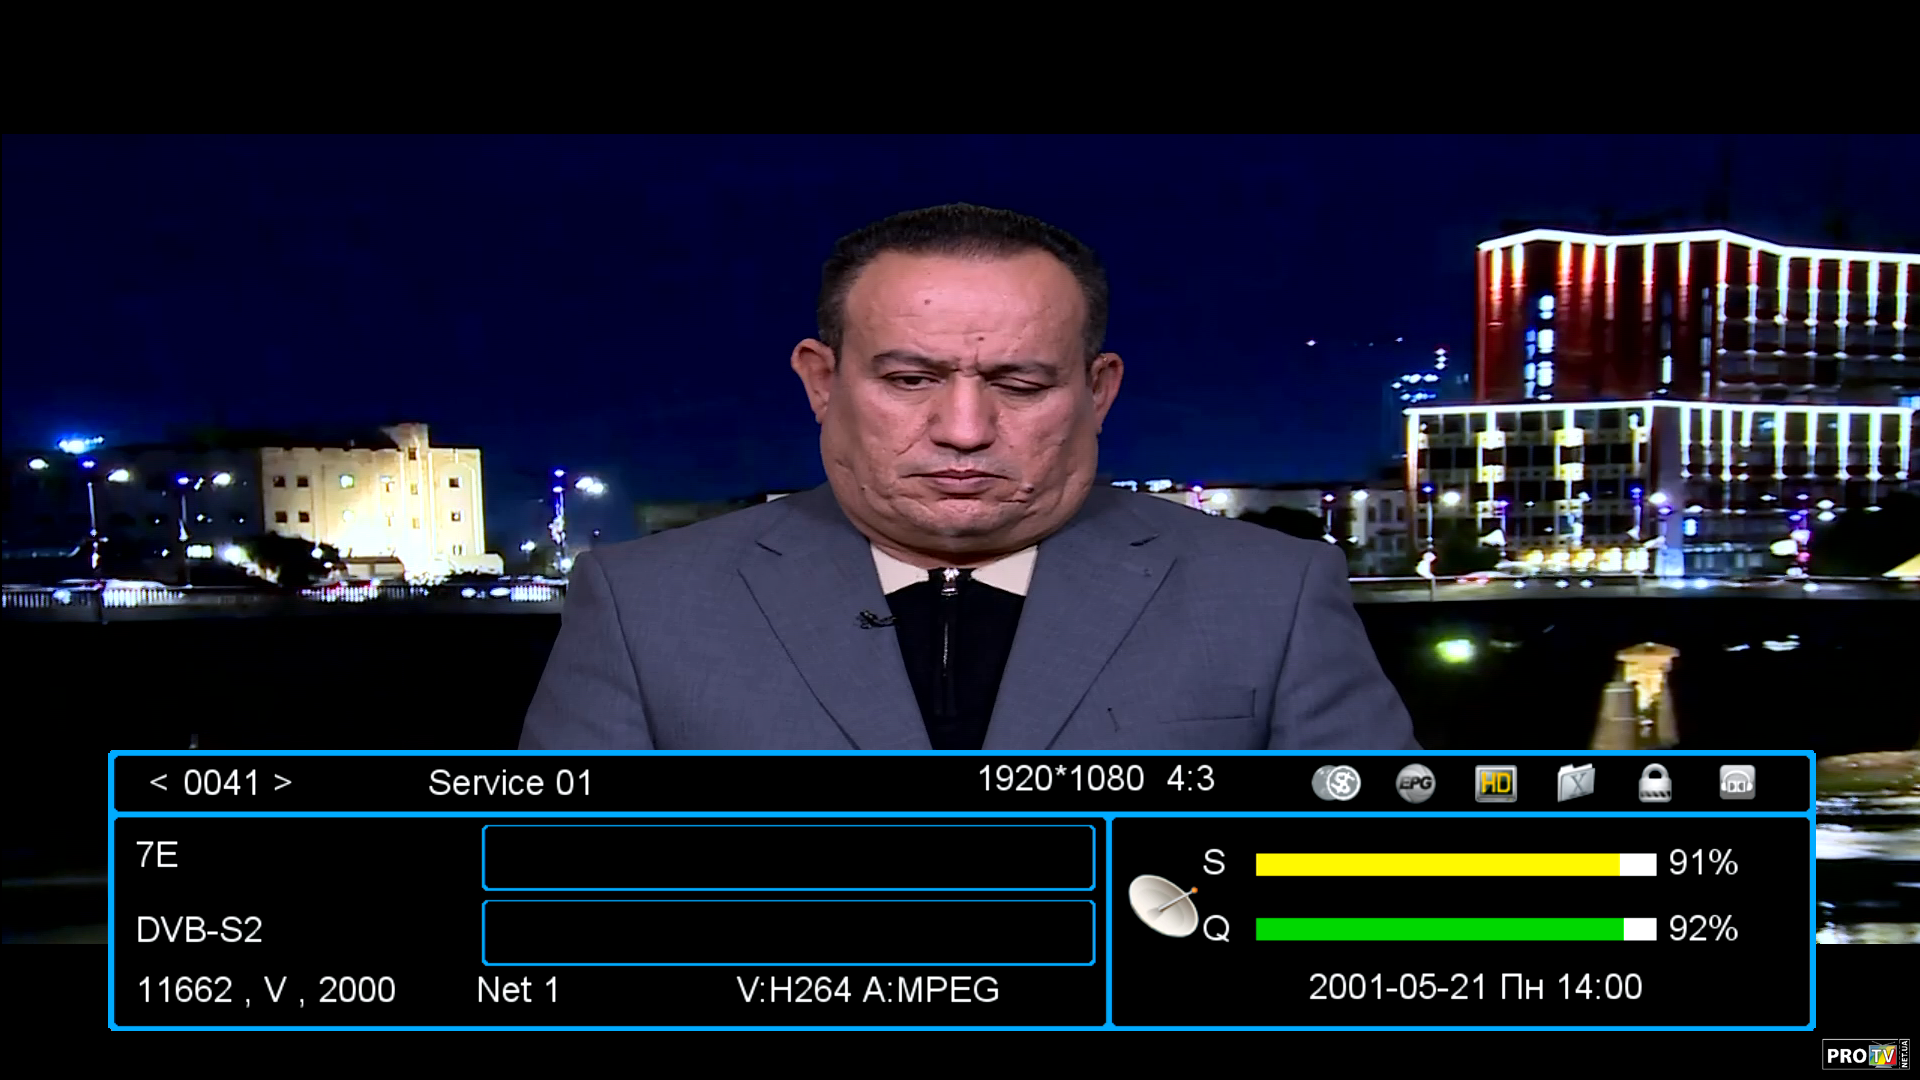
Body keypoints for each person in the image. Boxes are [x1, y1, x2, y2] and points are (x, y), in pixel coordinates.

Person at [520, 203, 1420, 751]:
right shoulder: (643, 606)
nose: (963, 430)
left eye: (1020, 384)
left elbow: (1371, 902)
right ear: (822, 383)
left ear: (1098, 391)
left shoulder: (1271, 595)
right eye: (910, 380)